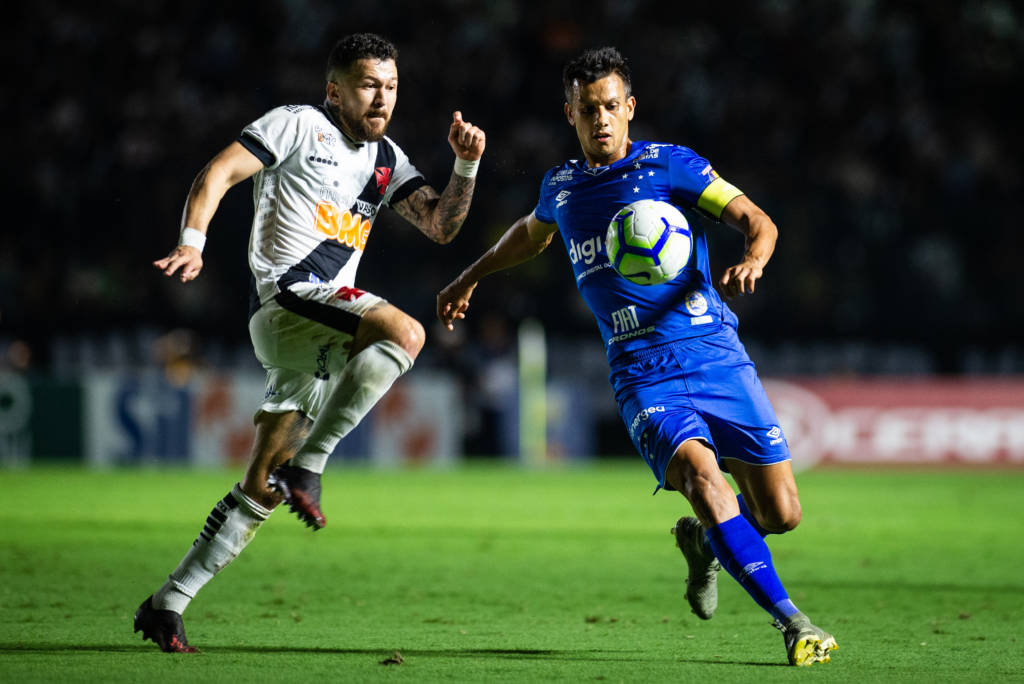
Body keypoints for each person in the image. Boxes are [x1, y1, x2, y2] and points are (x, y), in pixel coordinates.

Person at [436, 47, 837, 667]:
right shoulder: (561, 187)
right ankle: (794, 622)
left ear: (630, 108)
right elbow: (530, 236)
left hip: (715, 355)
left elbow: (758, 221)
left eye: (610, 106)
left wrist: (753, 260)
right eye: (587, 109)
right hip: (642, 373)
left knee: (781, 513)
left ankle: (704, 542)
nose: (600, 118)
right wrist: (469, 277)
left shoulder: (672, 166)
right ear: (569, 113)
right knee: (703, 480)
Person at [134, 32, 486, 653]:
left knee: (262, 485)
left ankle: (168, 603)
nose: (382, 98)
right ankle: (314, 464)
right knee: (406, 332)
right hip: (288, 297)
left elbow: (439, 224)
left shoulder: (387, 159)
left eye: (391, 87)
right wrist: (193, 241)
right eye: (369, 85)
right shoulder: (297, 125)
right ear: (335, 90)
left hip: (316, 327)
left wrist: (465, 165)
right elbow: (219, 172)